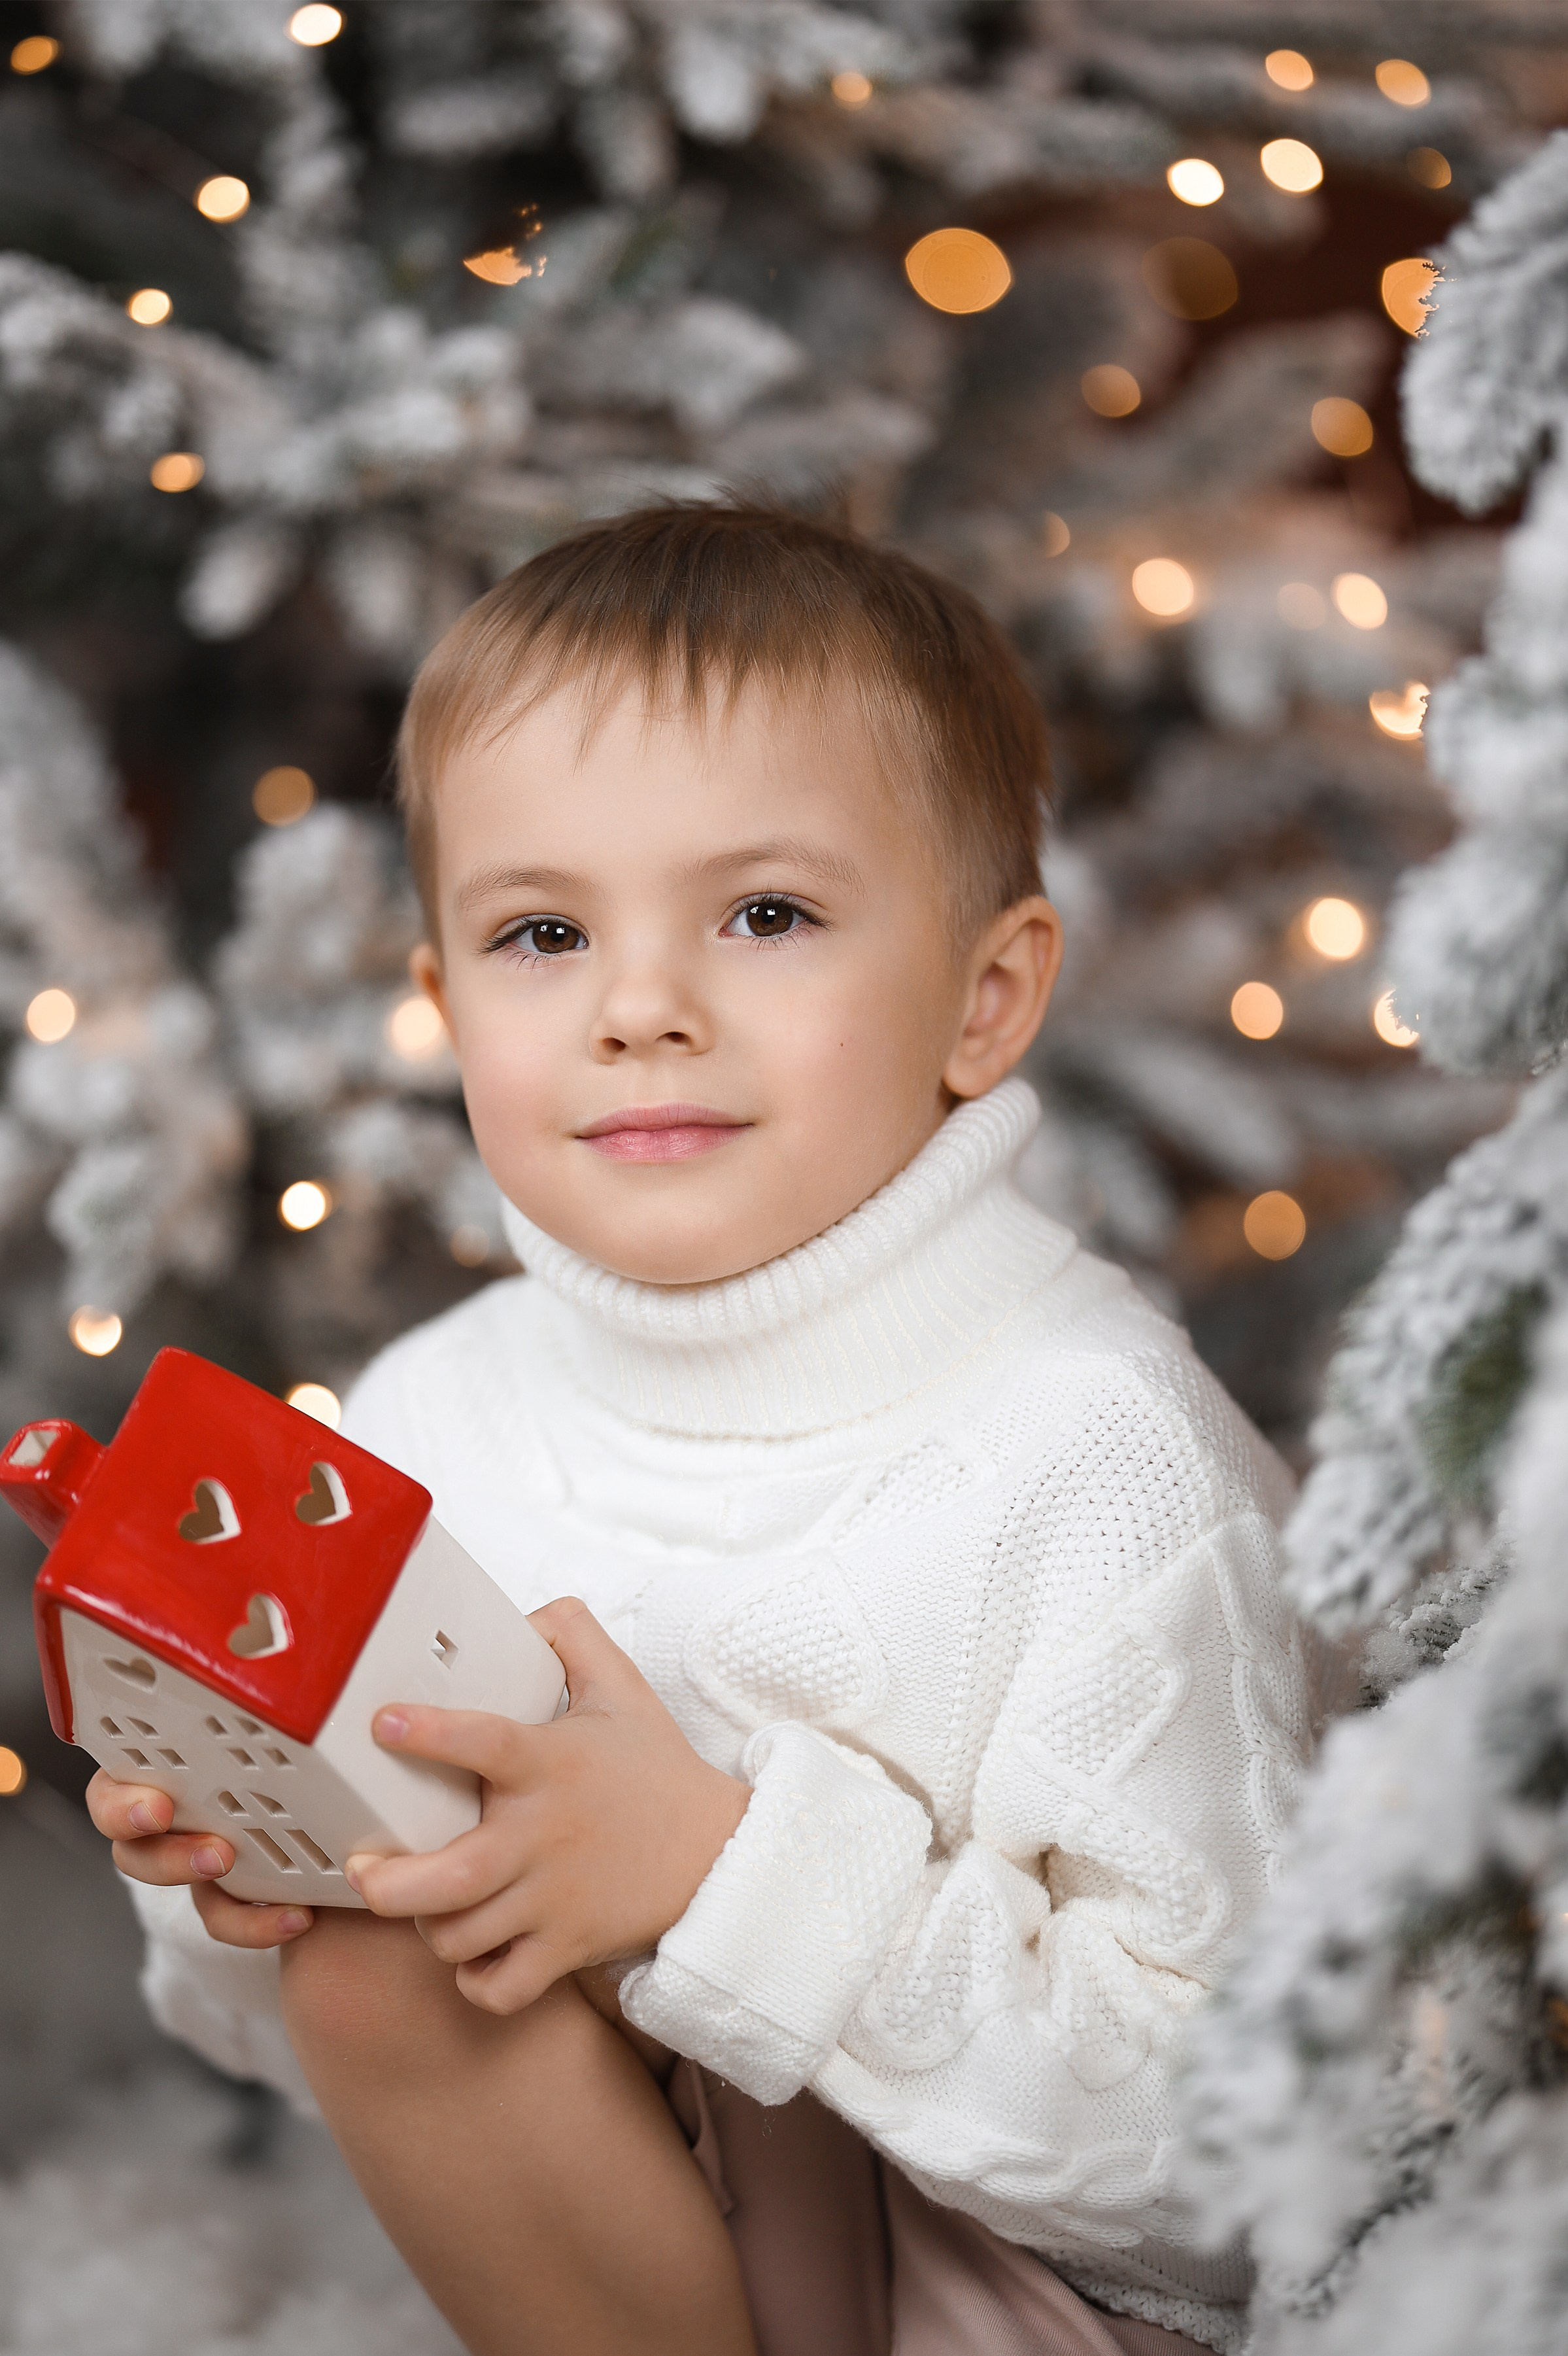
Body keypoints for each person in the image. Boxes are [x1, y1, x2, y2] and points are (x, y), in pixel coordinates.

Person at [87, 505, 1311, 2356]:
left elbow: (1248, 2171)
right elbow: (319, 2048)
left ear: (986, 998)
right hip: (647, 2254)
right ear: (444, 1008)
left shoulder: (1104, 1454)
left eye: (767, 914)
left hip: (1019, 2292)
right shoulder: (433, 1412)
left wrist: (725, 1874)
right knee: (370, 1958)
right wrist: (243, 1862)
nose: (642, 1008)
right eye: (544, 931)